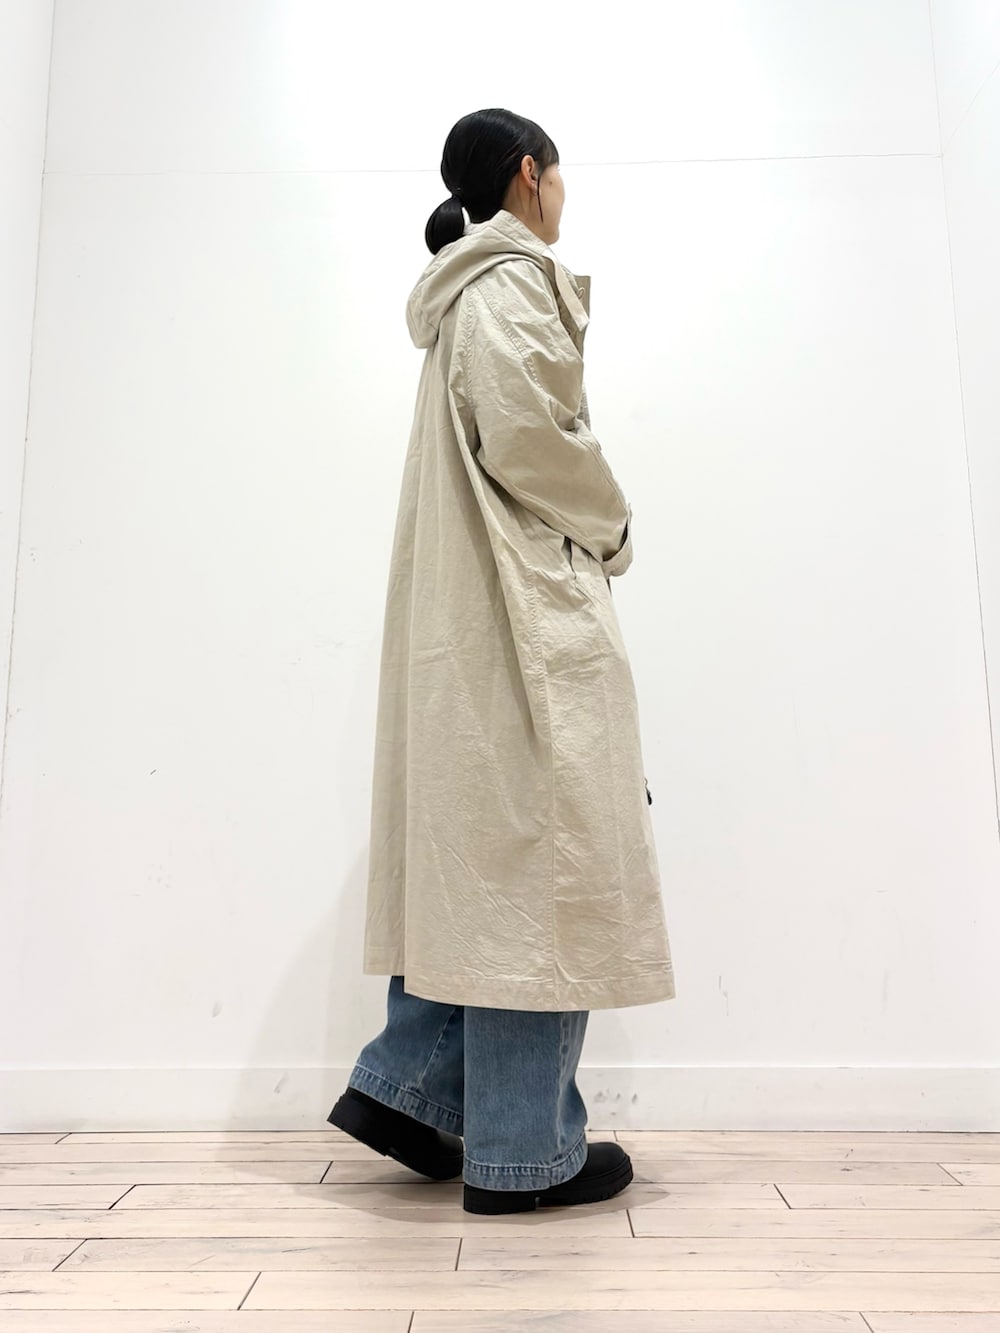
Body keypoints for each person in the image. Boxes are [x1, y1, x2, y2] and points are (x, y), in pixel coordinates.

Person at [328, 108, 676, 1215]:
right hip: (527, 612)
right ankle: (526, 1151)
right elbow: (533, 442)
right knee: (546, 866)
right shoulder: (511, 281)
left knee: (485, 859)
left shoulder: (464, 293)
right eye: (559, 177)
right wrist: (613, 527)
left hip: (478, 617)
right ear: (529, 176)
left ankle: (409, 1092)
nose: (563, 196)